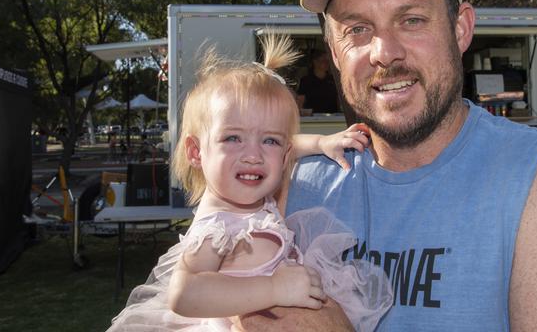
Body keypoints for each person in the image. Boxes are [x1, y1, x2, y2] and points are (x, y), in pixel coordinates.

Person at [238, 0, 537, 331]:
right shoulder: (289, 185)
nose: (384, 53)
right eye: (357, 29)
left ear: (461, 29)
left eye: (411, 20)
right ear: (335, 54)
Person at [107, 34, 392, 331]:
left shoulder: (251, 190)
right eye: (233, 138)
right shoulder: (216, 226)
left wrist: (322, 142)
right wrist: (273, 289)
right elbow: (184, 294)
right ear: (195, 152)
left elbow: (287, 145)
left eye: (269, 139)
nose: (254, 155)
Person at [296, 49, 339, 114]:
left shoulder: (333, 80)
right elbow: (300, 101)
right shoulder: (306, 81)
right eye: (324, 61)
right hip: (313, 119)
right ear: (315, 62)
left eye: (328, 61)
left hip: (334, 118)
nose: (327, 63)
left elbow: (338, 100)